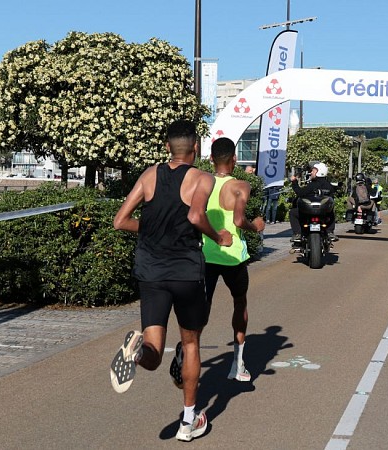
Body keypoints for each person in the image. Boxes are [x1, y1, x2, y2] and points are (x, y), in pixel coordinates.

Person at [110, 120, 232, 442]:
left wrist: (152, 231)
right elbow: (195, 216)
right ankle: (188, 422)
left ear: (167, 147)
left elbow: (120, 221)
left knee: (154, 351)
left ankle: (136, 352)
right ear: (196, 148)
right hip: (186, 272)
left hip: (151, 272)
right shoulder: (202, 178)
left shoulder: (149, 175)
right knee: (190, 343)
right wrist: (217, 235)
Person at [202, 137, 266, 383]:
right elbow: (239, 221)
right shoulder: (241, 185)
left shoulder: (201, 184)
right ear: (235, 159)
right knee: (240, 303)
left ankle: (188, 352)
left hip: (206, 254)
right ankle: (237, 364)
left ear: (210, 159)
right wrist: (256, 226)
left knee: (202, 308)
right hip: (233, 257)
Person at [289, 162, 337, 241]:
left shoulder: (313, 184)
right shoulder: (328, 185)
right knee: (331, 211)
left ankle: (297, 234)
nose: (311, 172)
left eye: (313, 171)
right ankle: (330, 232)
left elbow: (301, 193)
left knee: (293, 213)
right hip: (324, 214)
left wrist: (294, 182)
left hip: (309, 212)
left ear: (319, 172)